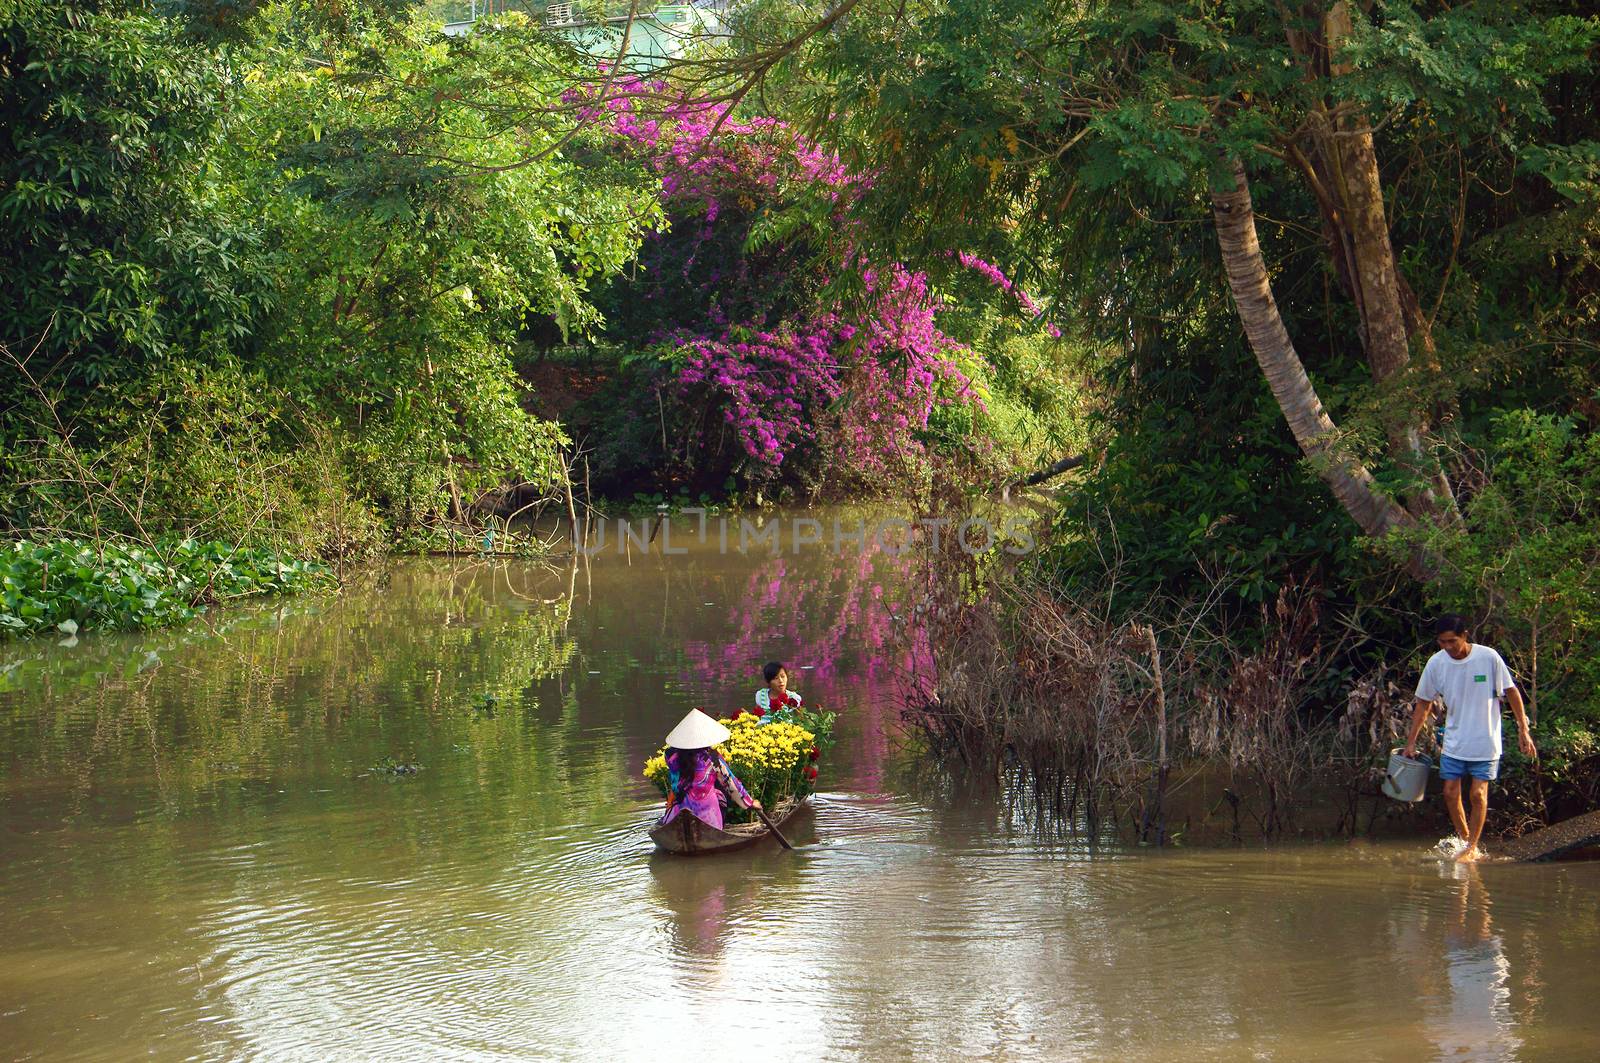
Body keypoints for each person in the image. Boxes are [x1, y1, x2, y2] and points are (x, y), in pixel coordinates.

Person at [1403, 614, 1536, 863]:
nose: (1448, 647)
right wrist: (1410, 742)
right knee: (1451, 793)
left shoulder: (1488, 657)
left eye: (1452, 641)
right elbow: (1423, 704)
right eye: (1442, 642)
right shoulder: (1436, 663)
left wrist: (1523, 729)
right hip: (1455, 740)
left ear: (1465, 635)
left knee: (1478, 795)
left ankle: (1472, 845)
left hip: (1485, 740)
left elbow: (1511, 692)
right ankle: (1467, 843)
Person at [659, 709, 761, 831]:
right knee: (720, 795)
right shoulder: (712, 758)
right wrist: (750, 802)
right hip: (707, 814)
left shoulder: (670, 755)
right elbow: (730, 783)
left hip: (678, 811)